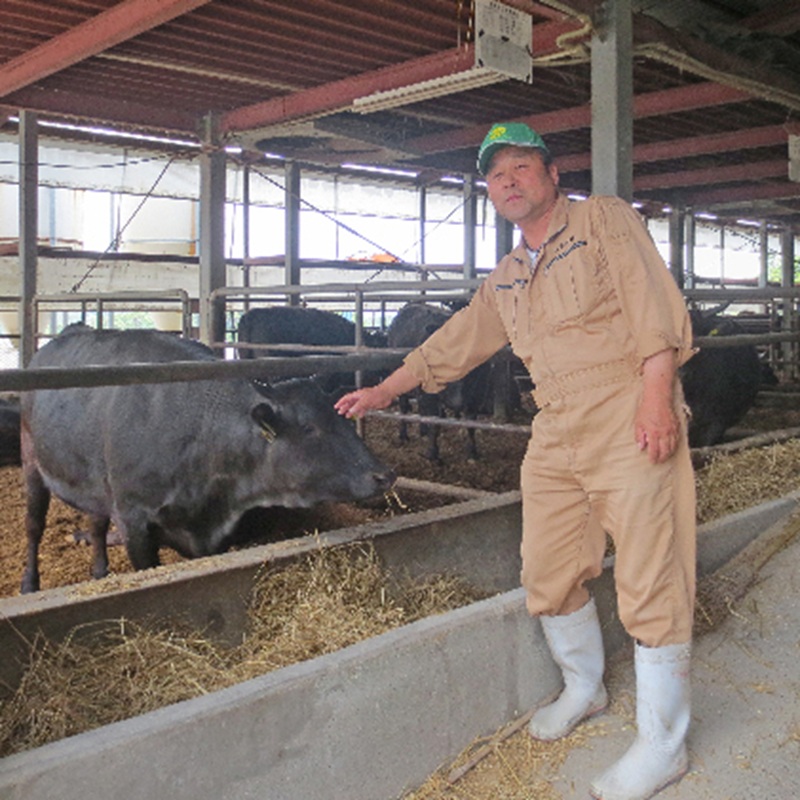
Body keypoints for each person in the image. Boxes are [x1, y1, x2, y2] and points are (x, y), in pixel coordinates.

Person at [335, 122, 696, 800]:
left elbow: (652, 304)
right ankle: (584, 688)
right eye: (496, 174)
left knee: (653, 570)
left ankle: (663, 745)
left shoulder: (603, 223)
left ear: (552, 174)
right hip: (555, 424)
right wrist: (387, 388)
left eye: (522, 166)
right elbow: (459, 340)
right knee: (547, 565)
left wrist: (656, 396)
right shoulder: (506, 278)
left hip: (626, 406)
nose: (508, 180)